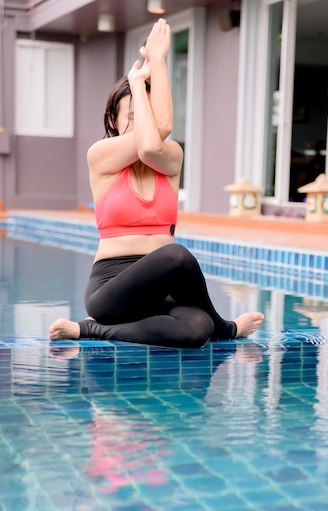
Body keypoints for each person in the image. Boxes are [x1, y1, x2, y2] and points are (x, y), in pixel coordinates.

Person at [49, 18, 264, 349]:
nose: (143, 126)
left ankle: (93, 330)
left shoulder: (171, 157)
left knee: (195, 330)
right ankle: (225, 327)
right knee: (176, 256)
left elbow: (156, 138)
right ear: (112, 120)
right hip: (111, 287)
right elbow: (150, 139)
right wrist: (140, 79)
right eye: (133, 118)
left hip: (160, 289)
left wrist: (158, 63)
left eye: (146, 116)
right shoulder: (101, 156)